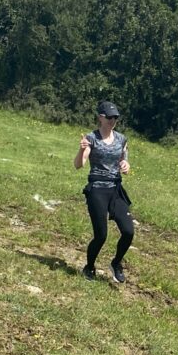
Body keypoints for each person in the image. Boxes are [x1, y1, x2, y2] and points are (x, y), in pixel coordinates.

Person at [74, 100, 133, 283]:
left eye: (115, 118)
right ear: (100, 117)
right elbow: (78, 165)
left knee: (128, 231)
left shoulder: (121, 139)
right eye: (109, 117)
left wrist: (126, 164)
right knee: (101, 235)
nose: (113, 121)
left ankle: (116, 263)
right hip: (97, 189)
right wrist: (81, 150)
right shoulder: (91, 138)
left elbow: (124, 159)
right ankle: (89, 267)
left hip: (115, 189)